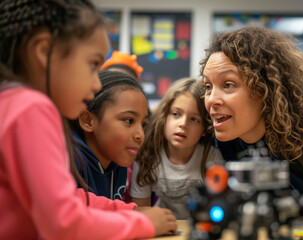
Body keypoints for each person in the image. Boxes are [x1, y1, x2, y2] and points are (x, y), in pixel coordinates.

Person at [0, 0, 176, 239]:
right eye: (93, 64)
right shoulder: (32, 108)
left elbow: (73, 199)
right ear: (44, 51)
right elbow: (65, 223)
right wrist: (142, 224)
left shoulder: (11, 102)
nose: (96, 84)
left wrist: (129, 210)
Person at [200, 26, 303, 216]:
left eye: (228, 84)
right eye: (208, 86)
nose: (211, 100)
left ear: (265, 88)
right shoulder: (225, 141)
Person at [130, 77, 224, 219]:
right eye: (176, 114)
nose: (183, 124)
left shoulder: (212, 157)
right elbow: (141, 213)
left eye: (194, 119)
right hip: (162, 229)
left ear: (205, 128)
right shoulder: (147, 155)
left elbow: (218, 206)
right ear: (164, 118)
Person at [70, 70, 148, 201]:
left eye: (143, 124)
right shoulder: (70, 160)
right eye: (129, 121)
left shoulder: (117, 161)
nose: (140, 135)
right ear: (88, 121)